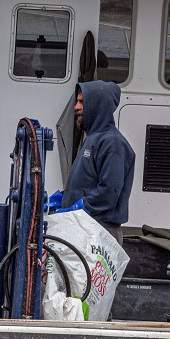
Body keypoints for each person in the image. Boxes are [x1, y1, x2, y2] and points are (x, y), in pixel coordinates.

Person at [59, 80, 136, 241]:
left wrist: (78, 207)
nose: (76, 107)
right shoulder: (93, 139)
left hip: (99, 231)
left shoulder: (112, 142)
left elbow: (109, 192)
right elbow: (88, 183)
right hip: (86, 227)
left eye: (82, 102)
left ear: (98, 105)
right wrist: (63, 198)